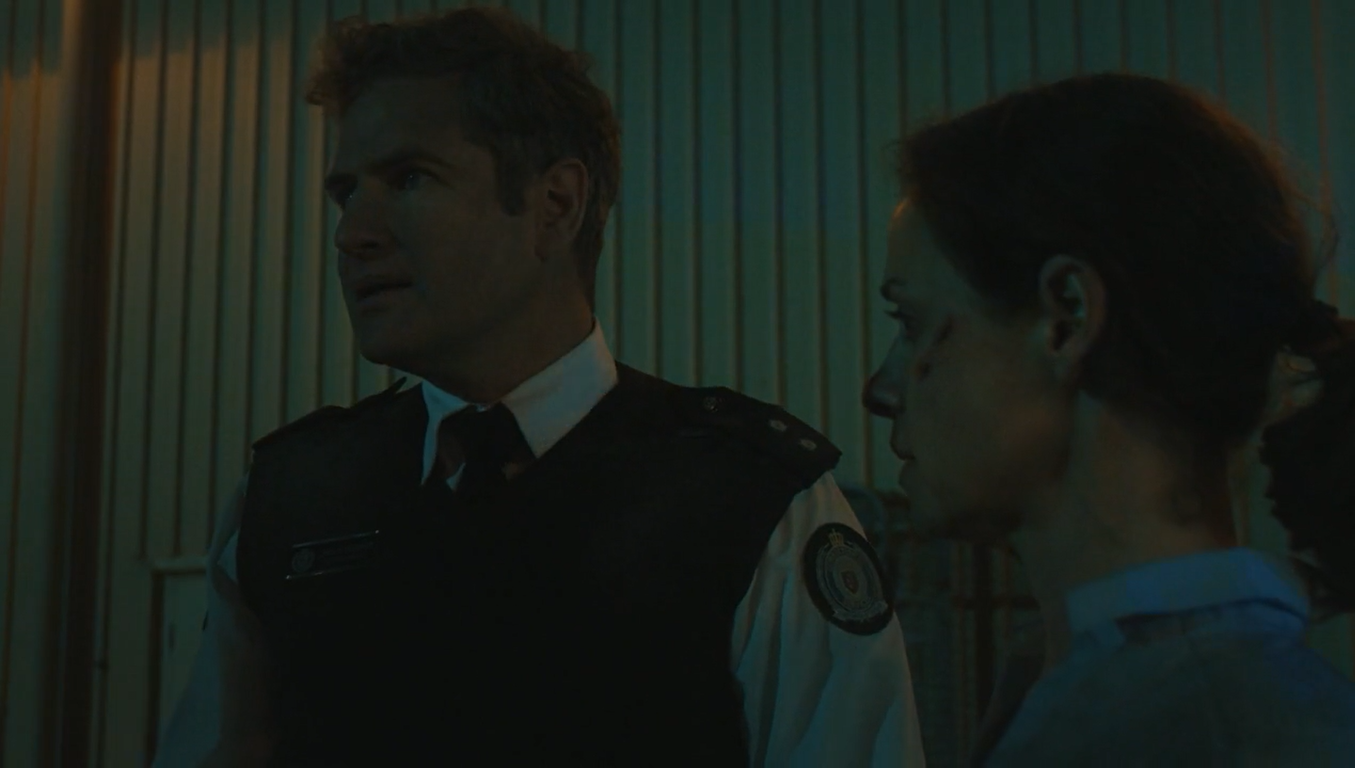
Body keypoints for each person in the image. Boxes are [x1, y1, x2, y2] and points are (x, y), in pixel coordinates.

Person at [153, 7, 924, 767]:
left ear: (555, 205)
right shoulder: (291, 499)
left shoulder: (752, 503)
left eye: (409, 178)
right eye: (346, 192)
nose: (353, 233)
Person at [862, 71, 1355, 766]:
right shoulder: (1115, 688)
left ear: (1066, 318)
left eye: (913, 323)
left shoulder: (1221, 731)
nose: (882, 388)